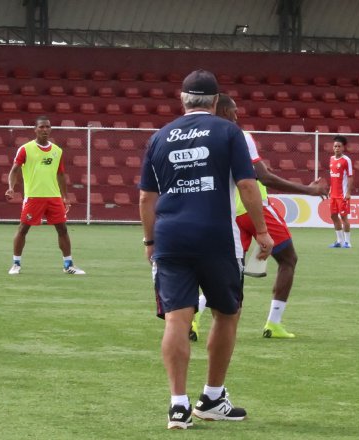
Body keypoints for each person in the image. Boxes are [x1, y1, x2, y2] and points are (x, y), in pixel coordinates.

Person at [139, 69, 273, 429]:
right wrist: (261, 231)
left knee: (176, 319)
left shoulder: (159, 137)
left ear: (182, 99)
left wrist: (150, 241)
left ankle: (178, 405)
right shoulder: (231, 132)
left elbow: (146, 198)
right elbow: (247, 186)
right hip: (216, 238)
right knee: (227, 314)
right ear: (215, 101)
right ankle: (212, 397)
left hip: (170, 238)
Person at [205, 93, 328, 340]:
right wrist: (310, 190)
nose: (238, 115)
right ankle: (274, 323)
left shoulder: (206, 137)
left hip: (226, 213)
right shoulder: (240, 135)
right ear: (226, 112)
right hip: (254, 208)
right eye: (235, 111)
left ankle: (194, 318)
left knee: (229, 273)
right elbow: (264, 177)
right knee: (288, 259)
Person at [5, 115, 85, 275]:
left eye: (47, 127)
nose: (45, 130)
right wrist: (11, 188)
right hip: (34, 197)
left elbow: (61, 175)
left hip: (54, 197)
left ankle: (68, 264)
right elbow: (15, 170)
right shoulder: (25, 149)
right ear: (35, 129)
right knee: (23, 229)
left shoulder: (57, 151)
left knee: (63, 229)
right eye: (41, 127)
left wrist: (65, 196)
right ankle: (16, 264)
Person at [328, 135, 354, 249]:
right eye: (335, 146)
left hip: (342, 195)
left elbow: (350, 177)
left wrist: (348, 192)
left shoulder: (346, 160)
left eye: (339, 146)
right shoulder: (331, 159)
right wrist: (330, 189)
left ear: (343, 148)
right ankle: (339, 241)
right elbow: (332, 176)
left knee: (344, 217)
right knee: (333, 216)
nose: (336, 148)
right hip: (333, 194)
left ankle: (347, 242)